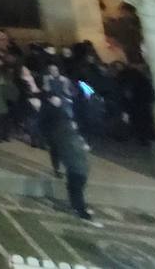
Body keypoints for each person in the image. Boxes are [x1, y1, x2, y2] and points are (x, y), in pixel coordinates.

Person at [42, 95, 99, 224]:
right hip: (79, 168)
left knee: (75, 189)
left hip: (76, 169)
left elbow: (64, 150)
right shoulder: (73, 137)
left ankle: (81, 211)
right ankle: (77, 207)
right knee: (75, 189)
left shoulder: (65, 137)